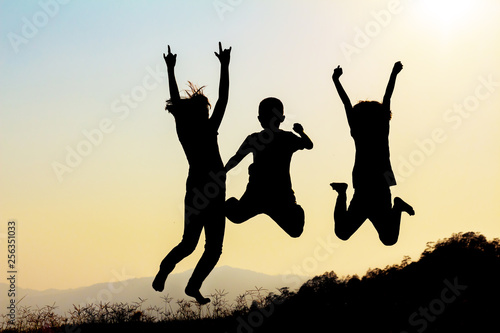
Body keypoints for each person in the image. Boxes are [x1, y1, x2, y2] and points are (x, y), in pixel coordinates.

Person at [152, 42, 231, 304]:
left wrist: (171, 69)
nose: (209, 110)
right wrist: (224, 66)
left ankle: (173, 274)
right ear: (201, 112)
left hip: (198, 189)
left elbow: (213, 101)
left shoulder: (186, 130)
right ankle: (189, 283)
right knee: (212, 248)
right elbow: (223, 99)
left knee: (190, 244)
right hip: (212, 191)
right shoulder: (205, 129)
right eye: (205, 109)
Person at [330, 61, 414, 246]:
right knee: (388, 239)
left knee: (343, 232)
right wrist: (394, 73)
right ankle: (396, 207)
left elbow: (346, 102)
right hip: (376, 185)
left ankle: (342, 192)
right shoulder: (381, 125)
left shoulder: (359, 128)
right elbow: (388, 96)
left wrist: (336, 80)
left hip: (367, 186)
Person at [225, 97, 313, 237]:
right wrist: (301, 131)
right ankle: (225, 204)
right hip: (266, 194)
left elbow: (236, 159)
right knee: (295, 231)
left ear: (260, 119)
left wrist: (223, 172)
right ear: (282, 118)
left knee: (237, 216)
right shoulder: (284, 138)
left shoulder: (280, 138)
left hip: (270, 194)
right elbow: (309, 145)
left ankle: (225, 204)